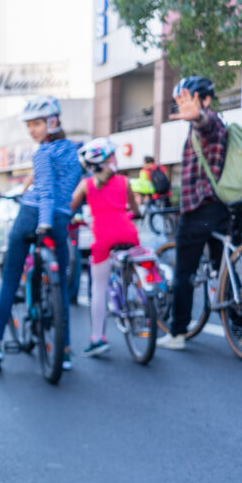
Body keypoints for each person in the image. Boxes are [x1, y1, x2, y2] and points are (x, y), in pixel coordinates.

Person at [0, 95, 80, 372]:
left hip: (33, 217)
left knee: (10, 280)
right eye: (30, 125)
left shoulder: (42, 153)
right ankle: (64, 352)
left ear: (52, 121)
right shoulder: (72, 151)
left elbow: (47, 191)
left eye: (37, 123)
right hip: (60, 219)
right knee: (59, 283)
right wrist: (56, 219)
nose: (33, 130)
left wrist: (43, 224)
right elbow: (66, 189)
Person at [157, 76, 231, 350]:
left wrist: (198, 116)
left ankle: (177, 333)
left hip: (198, 210)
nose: (184, 105)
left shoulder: (209, 124)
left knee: (184, 273)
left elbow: (205, 126)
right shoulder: (220, 125)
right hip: (221, 209)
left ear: (206, 100)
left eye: (190, 98)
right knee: (224, 272)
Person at [69, 137, 139, 356]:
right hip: (128, 233)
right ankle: (140, 299)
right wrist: (130, 214)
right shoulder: (124, 181)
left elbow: (69, 209)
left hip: (102, 239)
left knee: (98, 288)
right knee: (136, 270)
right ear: (109, 158)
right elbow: (135, 211)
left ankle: (97, 338)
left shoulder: (86, 185)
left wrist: (72, 219)